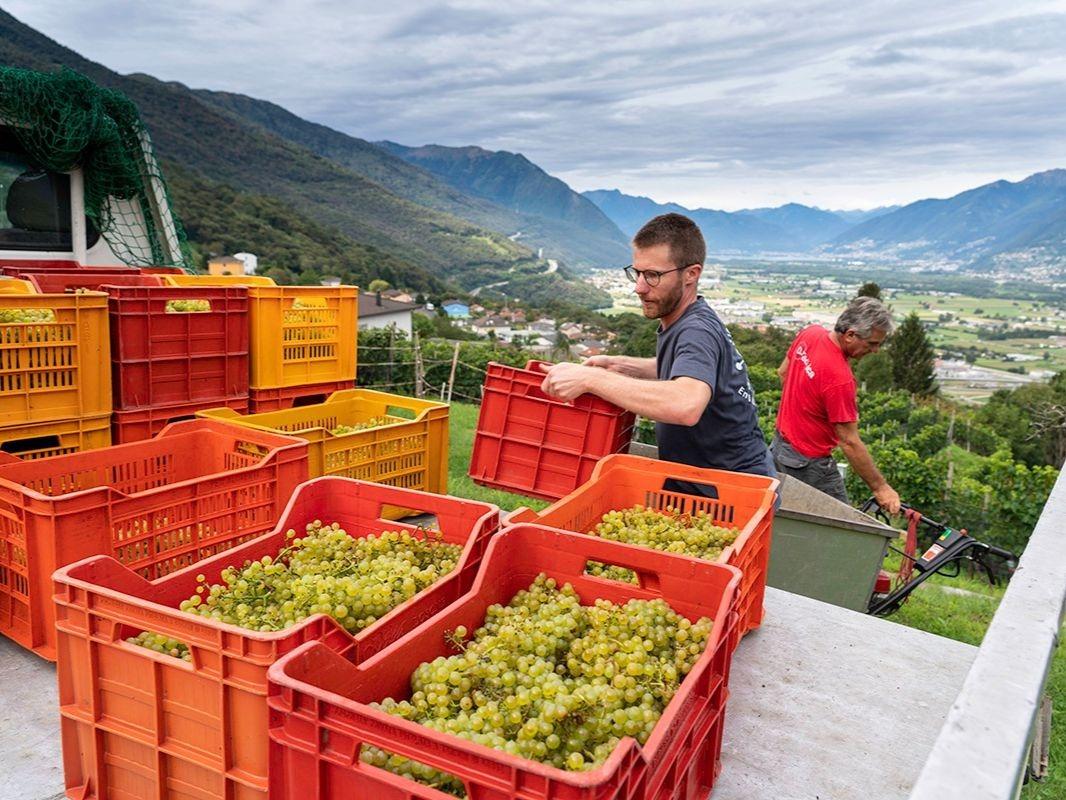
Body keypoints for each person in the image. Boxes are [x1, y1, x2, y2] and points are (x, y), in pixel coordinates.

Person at [539, 213, 775, 486]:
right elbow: (686, 369)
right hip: (704, 481)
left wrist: (591, 379)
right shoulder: (688, 319)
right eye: (637, 273)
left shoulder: (696, 331)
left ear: (691, 274)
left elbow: (685, 404)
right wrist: (619, 365)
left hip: (729, 493)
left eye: (652, 275)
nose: (639, 287)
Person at [772, 296, 901, 514]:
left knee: (786, 515)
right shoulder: (839, 379)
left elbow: (783, 372)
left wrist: (803, 410)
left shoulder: (810, 333)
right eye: (872, 343)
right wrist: (881, 488)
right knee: (842, 525)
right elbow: (849, 441)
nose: (876, 350)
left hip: (780, 447)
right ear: (850, 334)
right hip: (808, 463)